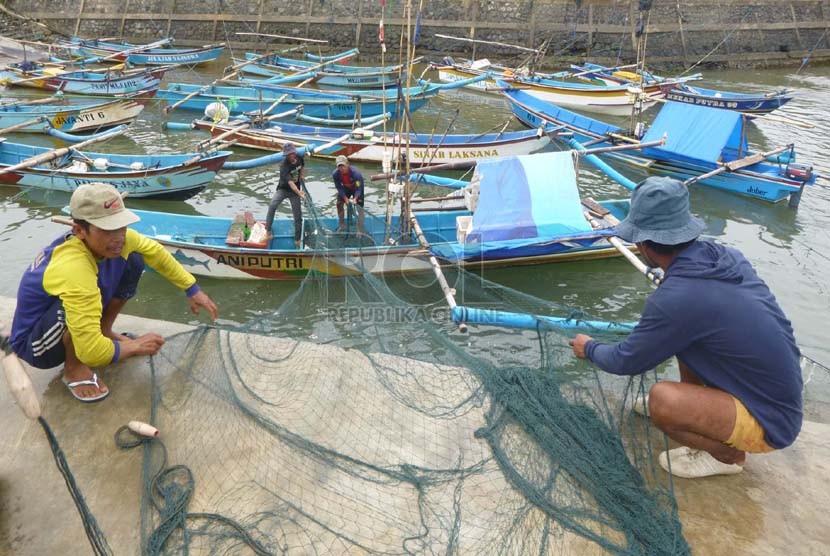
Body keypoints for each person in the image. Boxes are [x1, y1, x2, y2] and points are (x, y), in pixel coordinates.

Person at [569, 177, 802, 479]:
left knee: (662, 401)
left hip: (771, 422)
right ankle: (701, 413)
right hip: (778, 394)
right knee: (684, 340)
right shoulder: (727, 257)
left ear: (643, 245)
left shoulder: (676, 300)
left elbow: (626, 361)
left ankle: (725, 456)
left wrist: (589, 348)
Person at [9, 182, 219, 403]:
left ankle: (104, 330)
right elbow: (92, 352)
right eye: (108, 230)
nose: (118, 237)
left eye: (122, 226)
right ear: (80, 231)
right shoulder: (73, 266)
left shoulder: (119, 240)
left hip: (66, 318)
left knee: (134, 259)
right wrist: (131, 346)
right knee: (74, 304)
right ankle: (74, 368)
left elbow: (156, 252)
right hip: (36, 343)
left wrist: (192, 289)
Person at [265, 142, 306, 249]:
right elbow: (291, 183)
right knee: (273, 205)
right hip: (284, 189)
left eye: (290, 154)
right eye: (287, 155)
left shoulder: (300, 158)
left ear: (294, 153)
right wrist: (299, 193)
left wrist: (301, 177)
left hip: (295, 191)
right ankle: (268, 231)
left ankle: (297, 239)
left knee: (297, 215)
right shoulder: (283, 165)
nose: (289, 156)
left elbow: (302, 167)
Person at [332, 155, 365, 233]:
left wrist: (355, 198)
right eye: (339, 167)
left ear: (347, 164)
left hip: (356, 188)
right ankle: (342, 224)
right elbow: (339, 187)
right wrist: (345, 198)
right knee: (339, 203)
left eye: (343, 166)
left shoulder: (356, 173)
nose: (341, 169)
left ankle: (360, 230)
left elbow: (359, 188)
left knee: (360, 208)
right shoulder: (335, 174)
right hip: (346, 187)